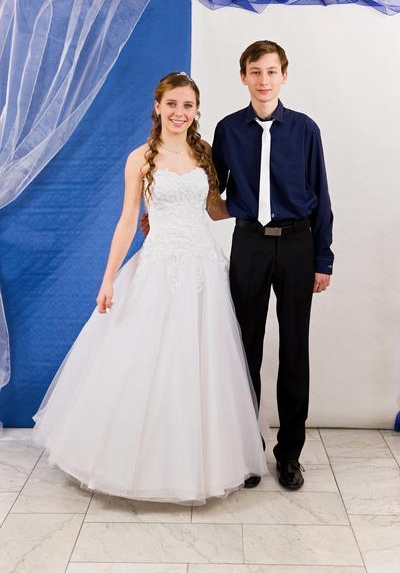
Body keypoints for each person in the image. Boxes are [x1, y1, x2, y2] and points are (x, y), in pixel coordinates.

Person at [32, 71, 267, 504]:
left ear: (196, 111)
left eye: (188, 105)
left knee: (203, 364)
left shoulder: (205, 153)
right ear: (157, 107)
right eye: (172, 104)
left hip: (202, 269)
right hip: (159, 266)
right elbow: (128, 219)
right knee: (147, 360)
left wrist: (260, 195)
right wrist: (107, 279)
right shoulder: (140, 158)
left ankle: (200, 463)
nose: (180, 112)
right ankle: (134, 464)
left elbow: (215, 209)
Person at [212, 40, 334, 491]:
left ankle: (289, 455)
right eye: (255, 72)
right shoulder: (228, 129)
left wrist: (323, 258)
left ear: (284, 75)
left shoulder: (305, 129)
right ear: (243, 77)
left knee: (294, 349)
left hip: (298, 244)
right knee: (245, 348)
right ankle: (248, 451)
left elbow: (322, 196)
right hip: (249, 243)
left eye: (271, 71)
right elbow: (211, 192)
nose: (263, 80)